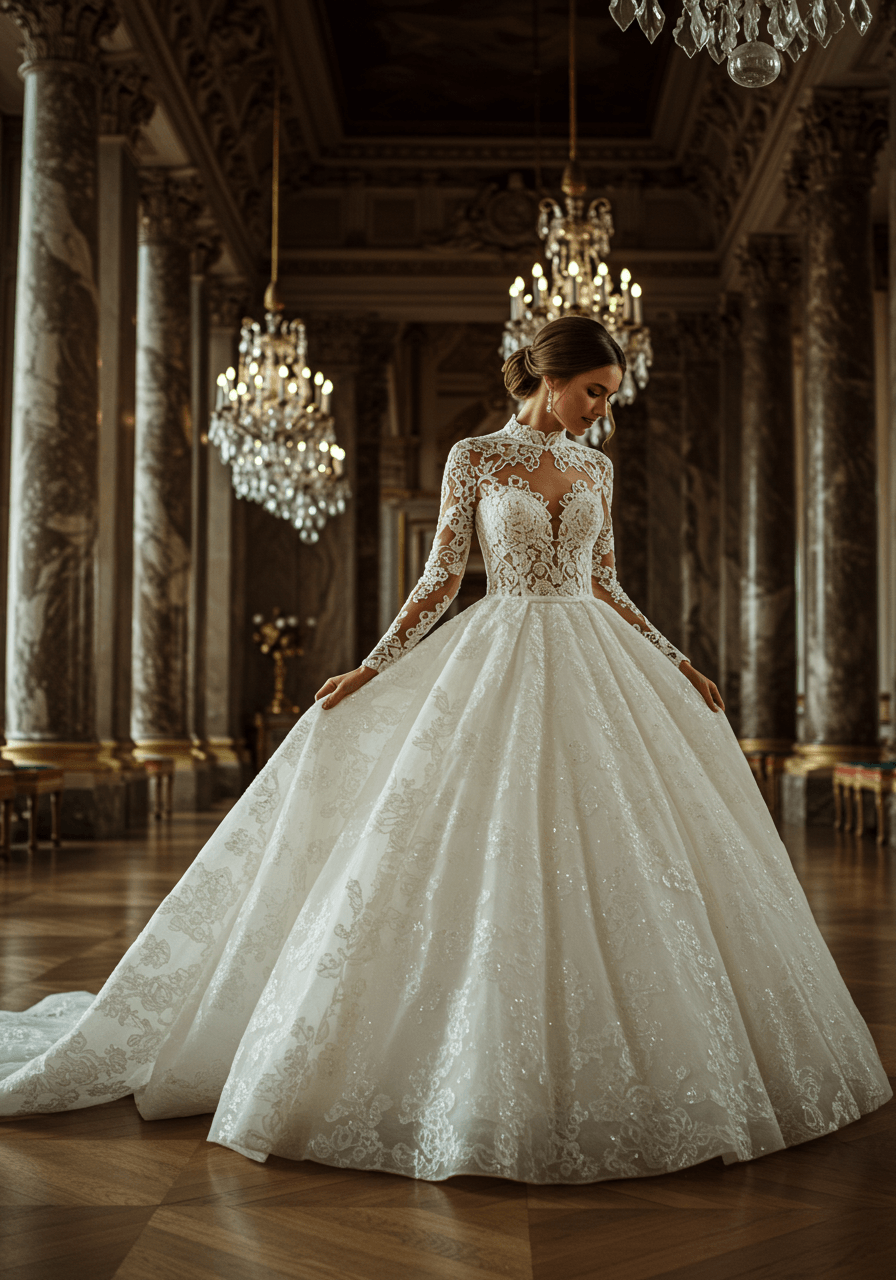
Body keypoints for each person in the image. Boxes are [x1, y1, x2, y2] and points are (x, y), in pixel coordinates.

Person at [0, 316, 890, 1185]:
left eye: (610, 398)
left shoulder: (597, 467)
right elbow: (438, 580)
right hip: (496, 650)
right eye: (592, 392)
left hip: (595, 664)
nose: (599, 412)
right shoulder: (476, 459)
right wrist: (371, 667)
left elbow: (607, 582)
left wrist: (679, 660)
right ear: (552, 376)